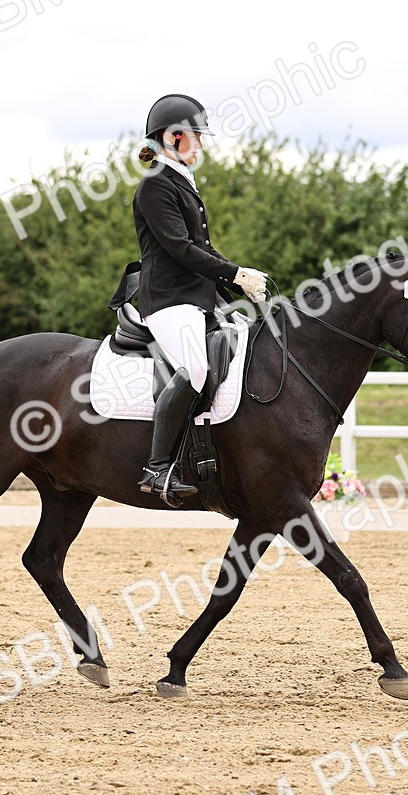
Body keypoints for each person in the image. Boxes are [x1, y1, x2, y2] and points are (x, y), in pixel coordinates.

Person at [130, 93, 268, 501]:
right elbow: (181, 249)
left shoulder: (180, 183)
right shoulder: (156, 186)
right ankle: (155, 470)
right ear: (173, 138)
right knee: (195, 368)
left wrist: (239, 280)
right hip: (169, 302)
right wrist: (235, 274)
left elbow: (203, 248)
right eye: (196, 137)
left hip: (199, 299)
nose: (202, 145)